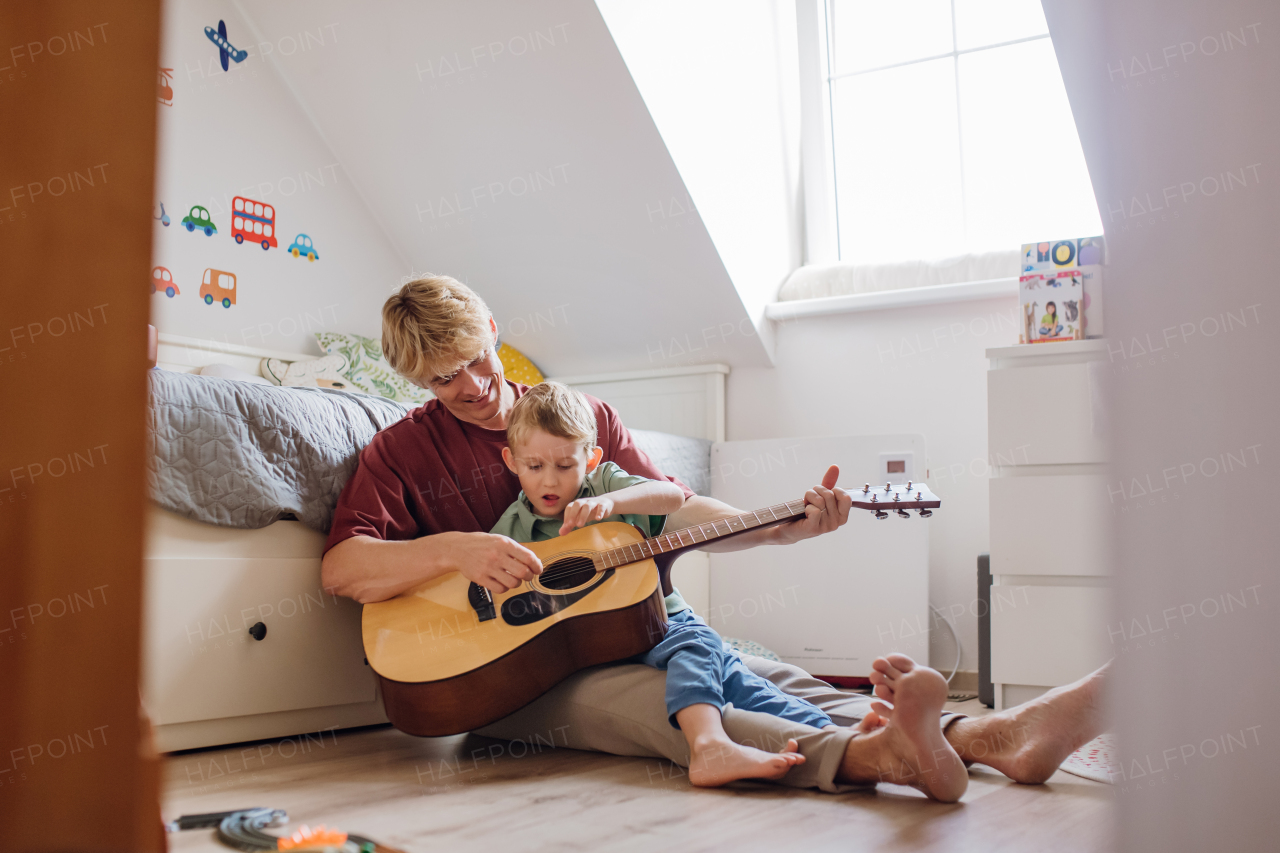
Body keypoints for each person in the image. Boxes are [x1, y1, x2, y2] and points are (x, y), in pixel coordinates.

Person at [322, 275, 1108, 799]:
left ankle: (989, 734)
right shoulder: (401, 450)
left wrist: (775, 533)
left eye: (474, 358)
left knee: (745, 666)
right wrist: (458, 549)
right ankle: (876, 758)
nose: (469, 385)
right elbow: (344, 568)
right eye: (440, 379)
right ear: (413, 383)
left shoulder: (578, 417)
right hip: (498, 673)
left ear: (493, 328)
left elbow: (671, 512)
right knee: (670, 699)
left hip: (629, 626)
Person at [489, 381, 953, 791]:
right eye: (534, 466)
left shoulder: (606, 481)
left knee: (742, 683)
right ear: (511, 460)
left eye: (565, 466)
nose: (550, 480)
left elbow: (670, 495)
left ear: (589, 459)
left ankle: (859, 738)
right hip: (593, 642)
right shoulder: (510, 527)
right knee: (703, 646)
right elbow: (496, 596)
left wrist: (611, 501)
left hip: (657, 617)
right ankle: (708, 745)